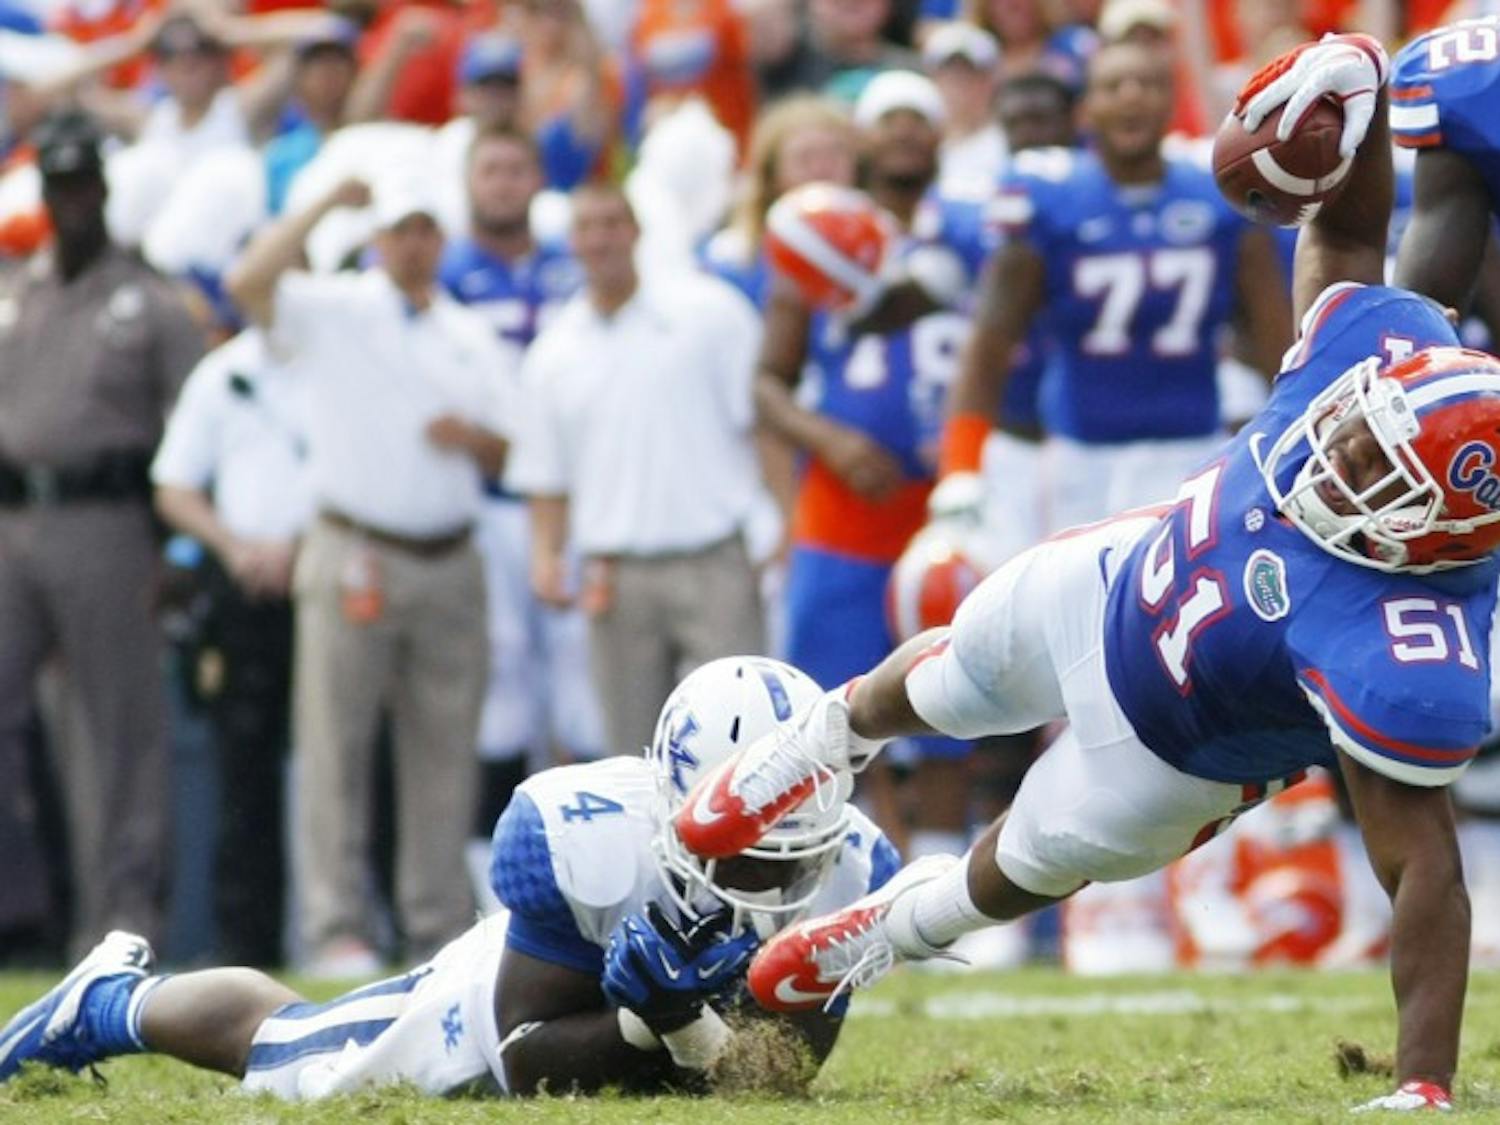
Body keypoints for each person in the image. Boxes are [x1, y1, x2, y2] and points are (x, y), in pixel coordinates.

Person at [675, 35, 1488, 1113]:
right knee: (946, 673)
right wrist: (1363, 91)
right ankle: (825, 742)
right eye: (1358, 438)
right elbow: (1344, 229)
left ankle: (868, 937)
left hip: (1165, 759)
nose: (1337, 458)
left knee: (1007, 872)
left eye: (1375, 475)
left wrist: (1421, 1084)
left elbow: (1424, 871)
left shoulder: (1406, 643)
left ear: (1428, 539)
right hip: (1110, 579)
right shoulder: (1367, 360)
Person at [0, 657, 899, 1099]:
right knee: (296, 1056)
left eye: (798, 850)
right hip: (515, 1002)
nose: (772, 880)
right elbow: (523, 1062)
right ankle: (109, 1001)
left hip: (642, 1014)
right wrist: (639, 1020)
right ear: (676, 805)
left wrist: (675, 1026)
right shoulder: (581, 835)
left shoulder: (859, 868)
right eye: (745, 847)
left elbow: (772, 1076)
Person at [225, 173, 516, 976]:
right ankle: (333, 925)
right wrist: (320, 205)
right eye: (401, 230)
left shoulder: (467, 332)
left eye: (427, 229)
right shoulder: (337, 308)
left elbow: (514, 447)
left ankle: (435, 923)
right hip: (356, 545)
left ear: (442, 240)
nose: (415, 243)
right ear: (378, 239)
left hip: (450, 551)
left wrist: (474, 440)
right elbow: (247, 281)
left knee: (444, 747)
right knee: (334, 742)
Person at [753, 71, 988, 858]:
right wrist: (834, 440)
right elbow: (767, 383)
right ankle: (876, 863)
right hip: (844, 514)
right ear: (864, 140)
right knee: (837, 702)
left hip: (943, 503)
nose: (902, 136)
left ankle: (941, 862)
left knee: (959, 686)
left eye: (918, 121)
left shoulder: (971, 226)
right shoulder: (818, 236)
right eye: (886, 122)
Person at [0, 108, 203, 955]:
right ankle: (23, 905)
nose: (72, 198)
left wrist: (181, 551)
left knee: (119, 731)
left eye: (83, 184)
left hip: (109, 521)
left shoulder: (151, 300)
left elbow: (195, 434)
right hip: (12, 520)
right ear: (44, 192)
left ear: (104, 189)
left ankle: (122, 922)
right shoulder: (16, 289)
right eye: (59, 185)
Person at [506, 183, 769, 758]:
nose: (600, 240)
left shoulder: (708, 313)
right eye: (587, 228)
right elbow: (546, 473)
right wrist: (546, 555)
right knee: (633, 747)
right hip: (615, 568)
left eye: (611, 224)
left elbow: (761, 422)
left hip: (712, 553)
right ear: (570, 243)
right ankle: (648, 852)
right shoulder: (554, 353)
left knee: (746, 738)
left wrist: (782, 525)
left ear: (635, 231)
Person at [437, 124, 603, 881]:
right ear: (469, 181)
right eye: (491, 169)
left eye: (517, 167)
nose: (505, 182)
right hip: (487, 505)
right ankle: (494, 885)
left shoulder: (573, 267)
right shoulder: (443, 271)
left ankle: (599, 863)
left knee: (581, 688)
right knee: (500, 685)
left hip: (574, 499)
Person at [150, 326, 314, 967]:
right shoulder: (222, 373)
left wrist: (298, 544)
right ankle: (247, 942)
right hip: (240, 586)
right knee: (242, 770)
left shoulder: (339, 359)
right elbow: (174, 485)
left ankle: (349, 931)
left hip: (326, 573)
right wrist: (233, 546)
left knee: (344, 766)